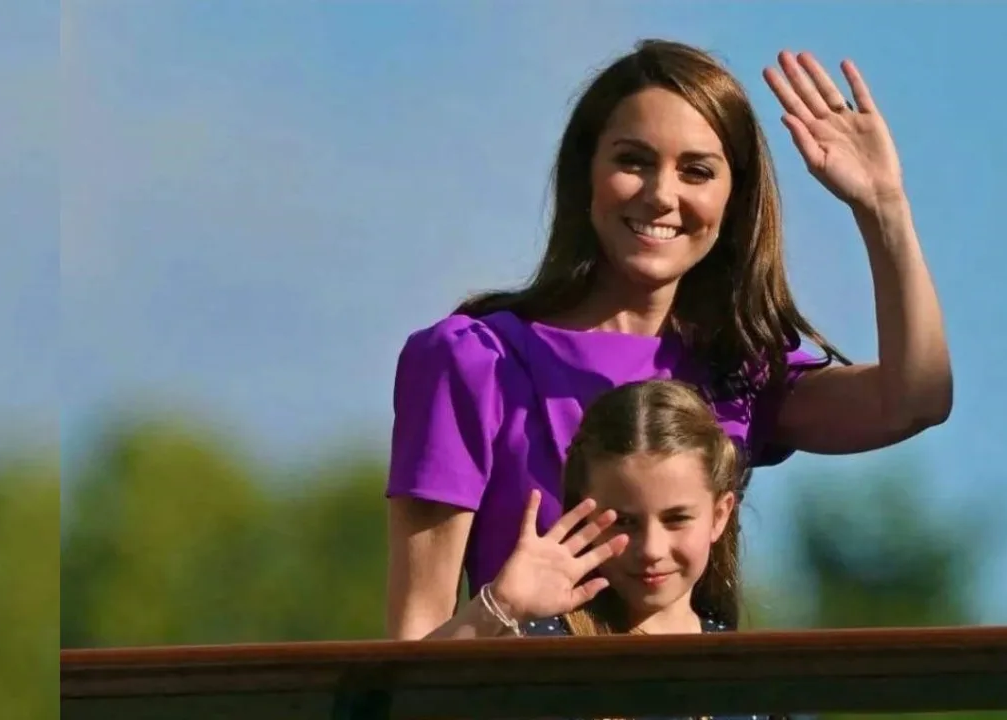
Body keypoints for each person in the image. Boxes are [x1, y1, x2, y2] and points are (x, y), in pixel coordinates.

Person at [386, 39, 952, 640]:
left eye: (697, 171)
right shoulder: (474, 361)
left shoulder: (738, 369)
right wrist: (500, 609)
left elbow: (914, 399)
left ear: (732, 199)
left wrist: (884, 207)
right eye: (633, 160)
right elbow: (411, 652)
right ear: (587, 174)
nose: (662, 194)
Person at [425, 380, 773, 719]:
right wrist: (498, 607)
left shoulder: (753, 679)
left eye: (676, 519)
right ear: (583, 511)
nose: (651, 549)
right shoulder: (541, 654)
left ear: (719, 515)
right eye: (623, 522)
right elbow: (401, 704)